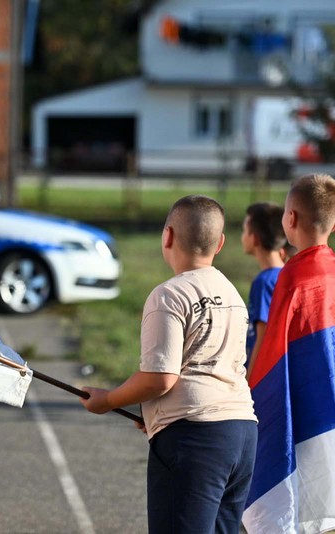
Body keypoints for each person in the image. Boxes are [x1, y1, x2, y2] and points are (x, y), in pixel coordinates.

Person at [80, 195, 258, 534]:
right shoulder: (232, 293)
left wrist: (109, 400)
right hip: (241, 432)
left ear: (168, 236)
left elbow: (160, 377)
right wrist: (154, 415)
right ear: (220, 243)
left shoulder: (169, 294)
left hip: (194, 437)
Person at [243, 174, 335, 533]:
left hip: (305, 404)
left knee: (299, 495)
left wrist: (252, 397)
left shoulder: (292, 277)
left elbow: (274, 352)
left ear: (290, 218)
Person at [240, 202, 295, 376]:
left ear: (255, 238)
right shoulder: (287, 274)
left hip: (264, 376)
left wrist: (250, 380)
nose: (242, 236)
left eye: (244, 231)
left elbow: (263, 336)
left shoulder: (263, 282)